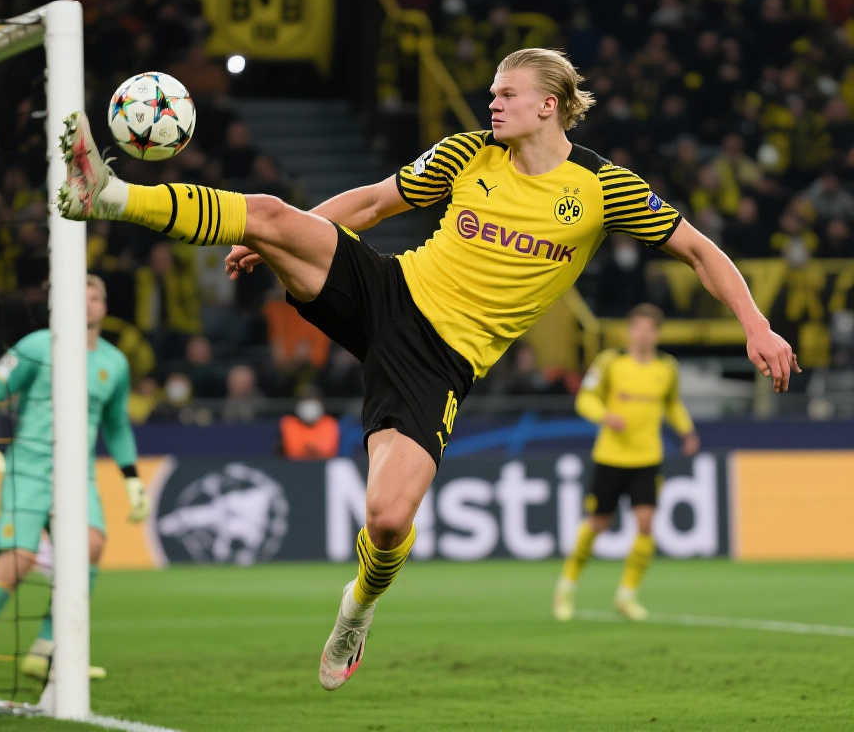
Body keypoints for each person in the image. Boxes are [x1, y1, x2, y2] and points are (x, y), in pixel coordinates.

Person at [57, 47, 799, 690]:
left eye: (506, 94)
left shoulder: (604, 189)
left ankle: (357, 611)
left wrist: (755, 324)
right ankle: (110, 194)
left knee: (387, 520)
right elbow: (376, 204)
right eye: (492, 93)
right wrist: (284, 235)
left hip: (440, 361)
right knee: (271, 212)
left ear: (549, 106)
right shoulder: (466, 152)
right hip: (391, 291)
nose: (491, 103)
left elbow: (699, 249)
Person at [0, 275, 149, 690]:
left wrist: (132, 478)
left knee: (92, 543)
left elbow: (117, 425)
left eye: (95, 297)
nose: (87, 304)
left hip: (78, 474)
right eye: (80, 296)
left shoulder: (115, 364)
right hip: (29, 470)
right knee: (17, 563)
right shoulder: (37, 347)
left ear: (104, 307)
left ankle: (46, 649)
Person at [553, 303, 700, 622]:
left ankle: (627, 595)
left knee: (646, 524)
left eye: (650, 329)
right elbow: (585, 398)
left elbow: (672, 404)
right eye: (638, 328)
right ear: (630, 331)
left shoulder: (667, 367)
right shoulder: (611, 362)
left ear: (657, 334)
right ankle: (566, 586)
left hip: (647, 458)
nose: (643, 335)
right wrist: (605, 416)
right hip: (611, 456)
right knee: (598, 524)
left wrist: (686, 430)